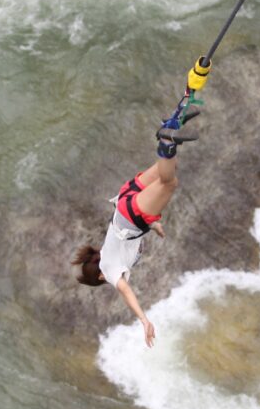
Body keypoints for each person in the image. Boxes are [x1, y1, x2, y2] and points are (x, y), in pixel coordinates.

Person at [72, 100, 200, 348]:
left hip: (133, 214)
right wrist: (154, 226)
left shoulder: (109, 271)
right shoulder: (106, 252)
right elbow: (124, 235)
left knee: (169, 183)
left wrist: (143, 320)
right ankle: (171, 124)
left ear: (100, 276)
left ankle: (166, 139)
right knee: (168, 168)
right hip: (124, 199)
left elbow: (125, 292)